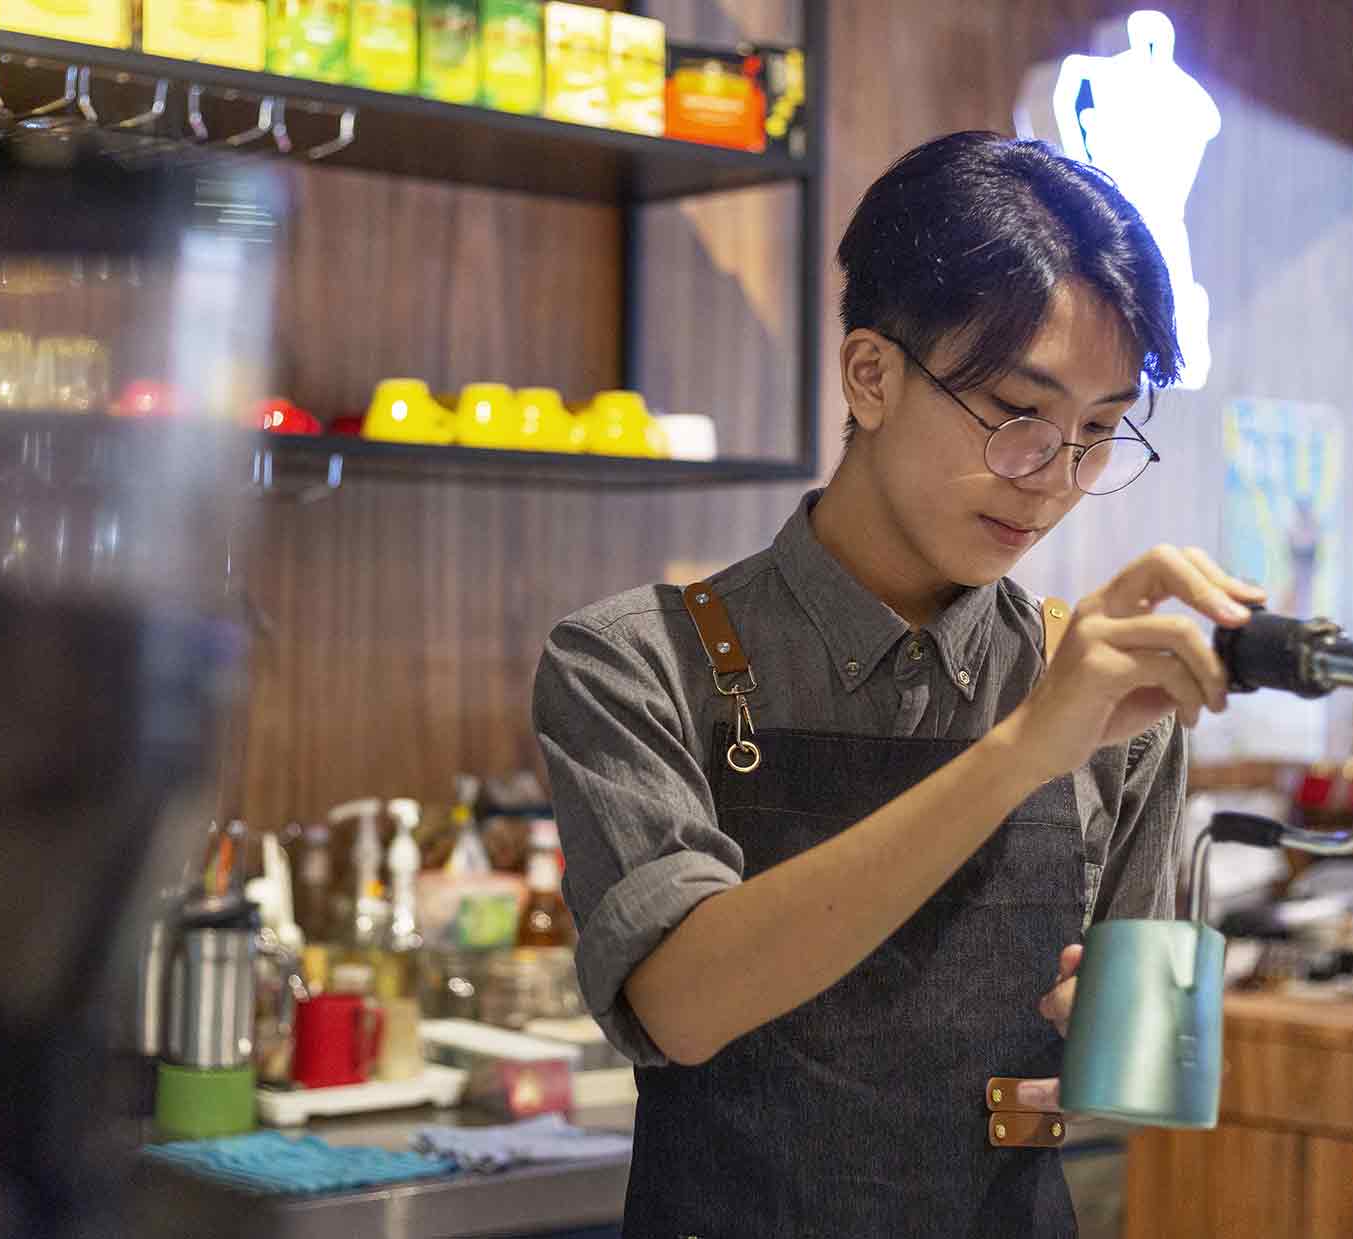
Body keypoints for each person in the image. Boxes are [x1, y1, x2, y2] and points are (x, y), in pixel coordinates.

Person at [532, 131, 1260, 1238]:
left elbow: (1132, 1079)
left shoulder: (1106, 703)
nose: (1057, 482)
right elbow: (682, 1005)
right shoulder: (638, 662)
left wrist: (1121, 1034)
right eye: (1020, 415)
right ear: (871, 375)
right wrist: (1023, 749)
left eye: (1100, 434)